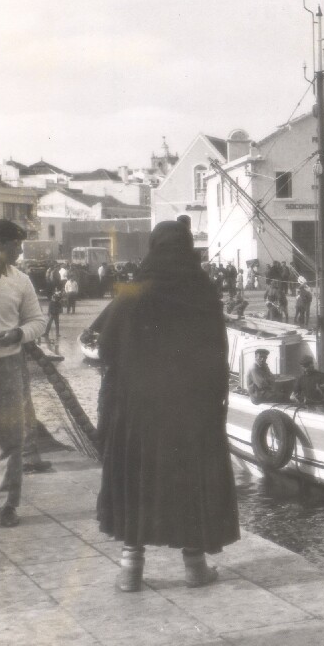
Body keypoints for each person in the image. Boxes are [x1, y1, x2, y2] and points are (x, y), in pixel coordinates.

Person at [96, 220, 238, 592]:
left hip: (138, 409)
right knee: (189, 480)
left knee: (136, 480)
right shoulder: (203, 290)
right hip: (191, 410)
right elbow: (218, 353)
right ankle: (195, 568)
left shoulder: (133, 289)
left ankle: (130, 571)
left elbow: (106, 348)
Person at [0, 220, 46, 527]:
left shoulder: (21, 281)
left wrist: (19, 334)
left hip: (6, 367)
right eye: (16, 245)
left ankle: (7, 505)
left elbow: (38, 321)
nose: (21, 251)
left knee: (10, 440)